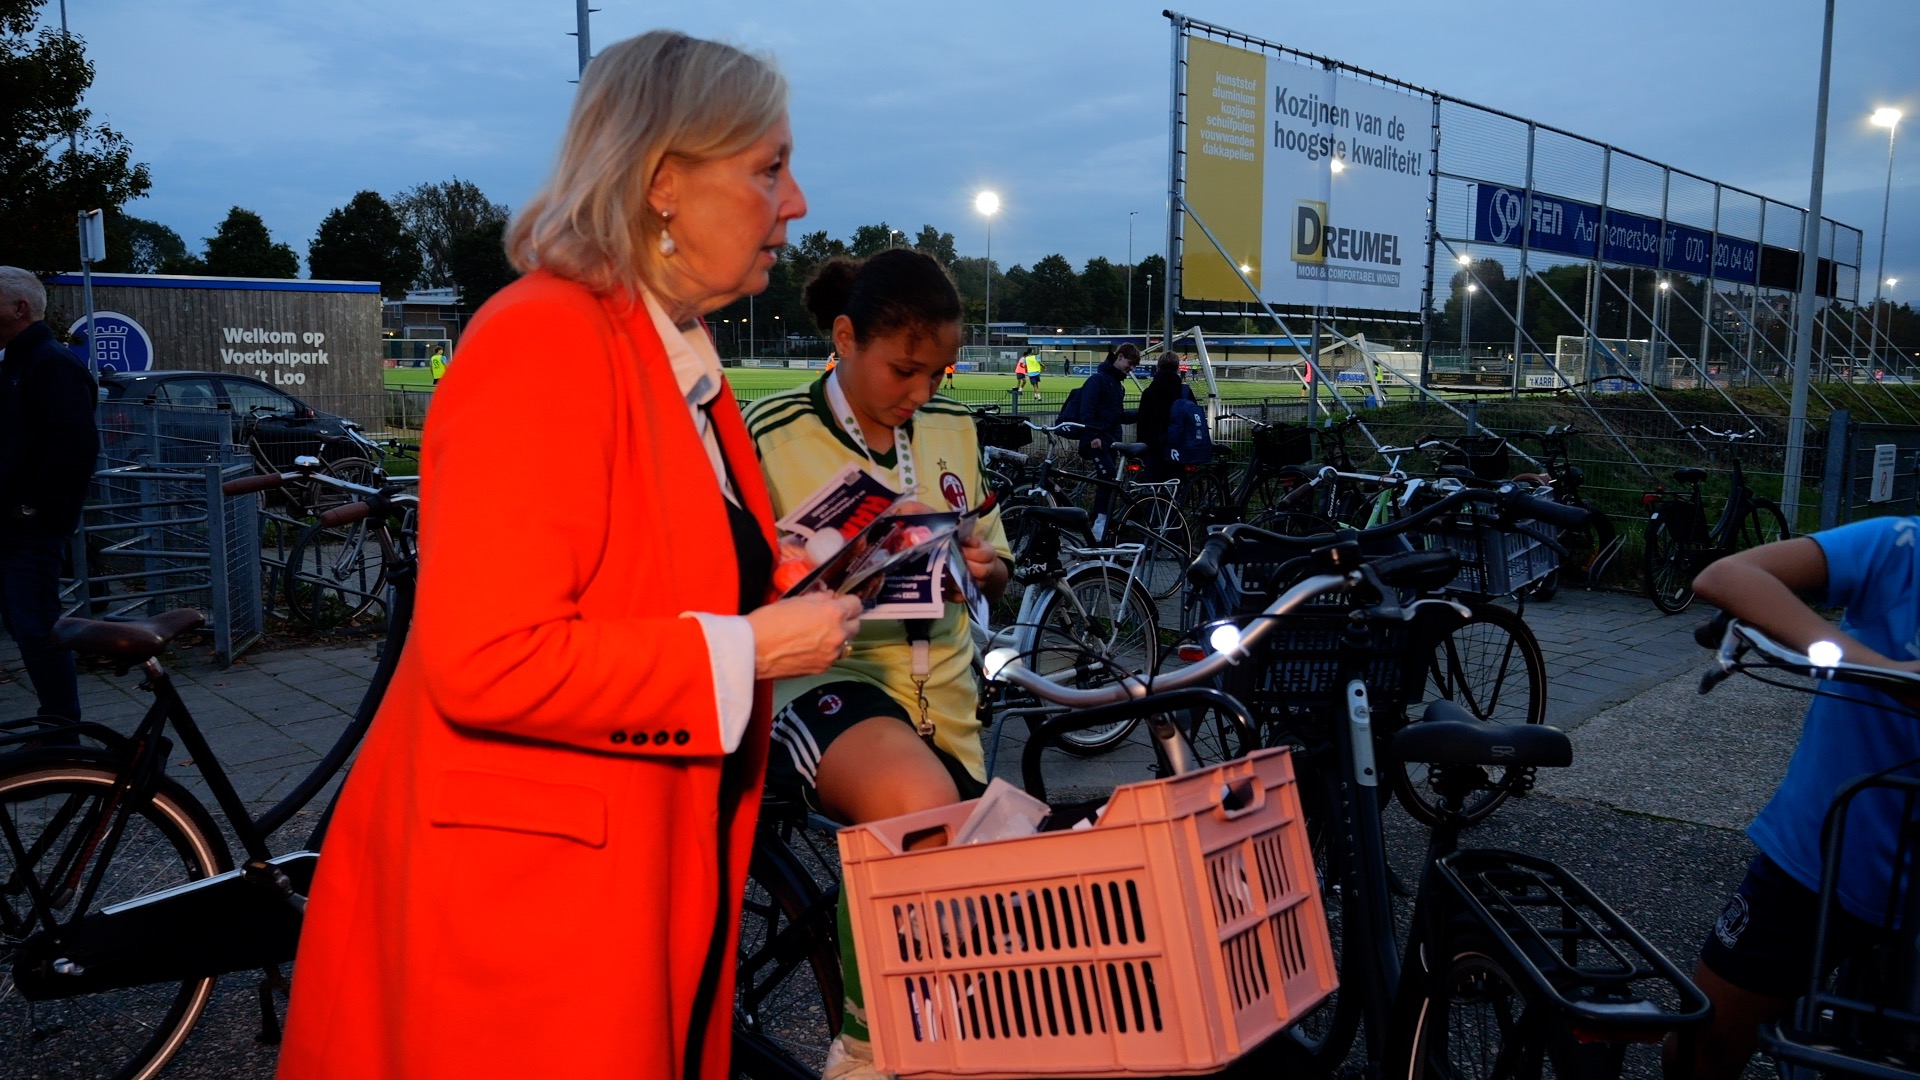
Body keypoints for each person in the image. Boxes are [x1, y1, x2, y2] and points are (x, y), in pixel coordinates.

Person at [275, 31, 863, 1080]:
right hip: (523, 922)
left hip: (617, 887)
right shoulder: (543, 337)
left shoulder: (677, 357)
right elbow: (490, 657)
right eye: (769, 166)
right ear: (662, 183)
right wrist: (749, 651)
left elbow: (638, 565)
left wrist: (783, 564)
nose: (799, 199)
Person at [744, 248, 1012, 1080]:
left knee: (1003, 923)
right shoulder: (772, 433)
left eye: (939, 372)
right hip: (822, 680)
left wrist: (981, 561)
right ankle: (865, 1052)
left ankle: (934, 1036)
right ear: (845, 337)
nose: (921, 392)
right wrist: (792, 572)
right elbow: (714, 582)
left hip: (949, 707)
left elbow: (998, 562)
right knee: (915, 802)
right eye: (904, 369)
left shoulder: (955, 432)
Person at [1671, 523, 1920, 1080]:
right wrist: (1881, 670)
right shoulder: (1904, 544)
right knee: (1704, 1041)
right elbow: (1727, 576)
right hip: (1826, 856)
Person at [0, 266, 98, 725]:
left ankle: (62, 731)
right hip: (19, 524)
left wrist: (30, 507)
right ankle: (55, 725)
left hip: (31, 528)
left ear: (20, 308)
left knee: (36, 627)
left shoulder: (49, 363)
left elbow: (75, 448)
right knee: (24, 625)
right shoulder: (18, 363)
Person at [1073, 342, 1140, 539]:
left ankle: (1101, 522)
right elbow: (1087, 410)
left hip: (1109, 440)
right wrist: (1093, 436)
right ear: (1119, 357)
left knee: (1109, 481)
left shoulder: (1115, 385)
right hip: (1098, 440)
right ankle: (1099, 523)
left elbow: (1117, 415)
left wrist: (1142, 413)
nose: (1132, 368)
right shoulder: (1099, 381)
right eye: (1130, 363)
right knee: (1109, 477)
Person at [1135, 353, 1185, 481]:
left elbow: (1142, 421)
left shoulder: (1149, 392)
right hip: (1177, 447)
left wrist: (1141, 448)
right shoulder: (1183, 391)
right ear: (1177, 367)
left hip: (1153, 446)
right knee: (1174, 485)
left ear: (1158, 367)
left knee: (1152, 486)